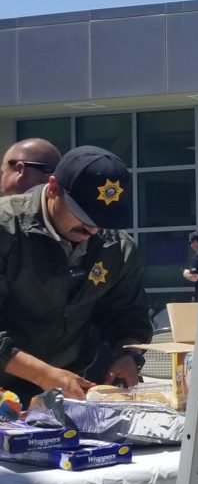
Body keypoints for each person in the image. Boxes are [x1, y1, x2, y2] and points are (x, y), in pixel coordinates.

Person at [0, 146, 152, 402]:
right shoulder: (6, 230)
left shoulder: (117, 248)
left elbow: (129, 313)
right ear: (52, 189)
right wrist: (44, 374)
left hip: (68, 391)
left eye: (103, 218)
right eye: (83, 214)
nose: (92, 228)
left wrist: (129, 355)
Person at [183, 229, 198, 302]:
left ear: (196, 242)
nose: (191, 245)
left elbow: (194, 277)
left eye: (190, 242)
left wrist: (186, 274)